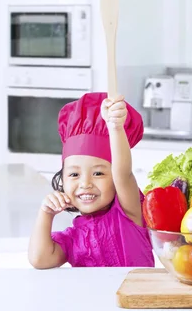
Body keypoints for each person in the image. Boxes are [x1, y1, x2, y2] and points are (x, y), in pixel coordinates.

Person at [28, 92, 154, 268]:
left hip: (136, 296)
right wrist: (46, 214)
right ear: (62, 180)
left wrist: (115, 128)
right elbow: (40, 260)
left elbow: (123, 173)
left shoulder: (128, 213)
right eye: (74, 175)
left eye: (98, 174)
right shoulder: (73, 238)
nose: (85, 183)